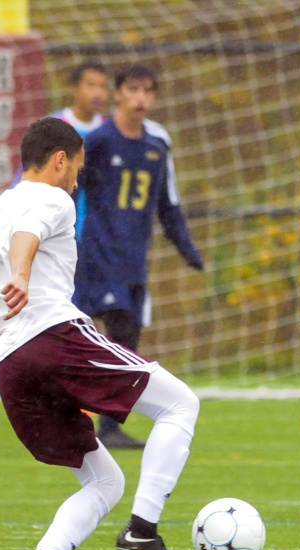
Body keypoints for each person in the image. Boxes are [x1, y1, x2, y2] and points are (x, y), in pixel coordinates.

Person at [0, 117, 200, 550]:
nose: (76, 180)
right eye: (77, 169)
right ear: (60, 159)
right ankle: (143, 531)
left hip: (10, 371)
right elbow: (29, 235)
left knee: (105, 480)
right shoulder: (50, 197)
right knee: (180, 405)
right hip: (52, 337)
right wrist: (22, 275)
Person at [74, 63, 204, 450]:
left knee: (126, 339)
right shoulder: (98, 141)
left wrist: (187, 249)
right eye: (133, 90)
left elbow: (167, 205)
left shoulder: (155, 146)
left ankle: (108, 426)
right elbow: (67, 187)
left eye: (147, 91)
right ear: (118, 94)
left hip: (133, 259)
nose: (140, 98)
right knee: (96, 333)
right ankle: (79, 417)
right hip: (96, 255)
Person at [12, 60, 110, 239]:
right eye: (91, 85)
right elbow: (27, 176)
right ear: (74, 88)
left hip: (99, 238)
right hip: (55, 232)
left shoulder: (110, 131)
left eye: (103, 86)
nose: (98, 92)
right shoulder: (53, 127)